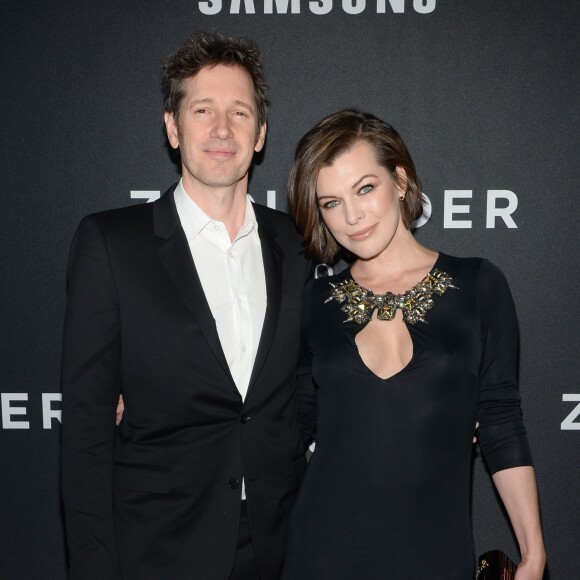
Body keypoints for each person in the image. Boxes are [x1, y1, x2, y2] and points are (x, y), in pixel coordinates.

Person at [61, 32, 310, 580]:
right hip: (158, 549)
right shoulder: (111, 243)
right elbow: (84, 432)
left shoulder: (295, 245)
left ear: (261, 133)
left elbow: (308, 386)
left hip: (281, 548)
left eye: (239, 112)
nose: (222, 129)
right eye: (203, 110)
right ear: (173, 128)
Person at [281, 109, 546, 579]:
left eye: (365, 188)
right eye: (331, 203)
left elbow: (502, 424)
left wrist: (533, 552)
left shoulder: (479, 286)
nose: (353, 216)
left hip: (434, 554)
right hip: (320, 553)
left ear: (400, 181)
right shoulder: (314, 302)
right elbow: (285, 427)